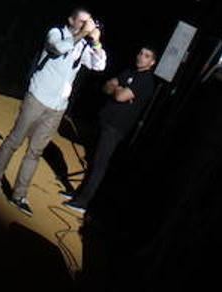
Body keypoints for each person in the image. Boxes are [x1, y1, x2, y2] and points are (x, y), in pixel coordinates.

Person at [0, 8, 106, 216]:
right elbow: (57, 49)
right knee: (15, 140)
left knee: (35, 151)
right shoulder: (56, 33)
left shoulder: (83, 46)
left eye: (88, 22)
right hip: (37, 98)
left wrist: (95, 42)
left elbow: (100, 65)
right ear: (71, 20)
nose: (85, 25)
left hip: (57, 107)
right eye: (82, 21)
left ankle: (19, 195)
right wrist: (82, 35)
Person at [63, 46, 157, 215]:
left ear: (152, 62)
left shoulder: (146, 81)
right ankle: (78, 193)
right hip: (105, 120)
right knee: (92, 159)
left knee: (99, 164)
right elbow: (107, 87)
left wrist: (117, 90)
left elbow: (120, 96)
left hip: (116, 127)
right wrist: (117, 89)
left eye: (146, 55)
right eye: (140, 53)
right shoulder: (129, 71)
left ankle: (84, 201)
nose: (141, 57)